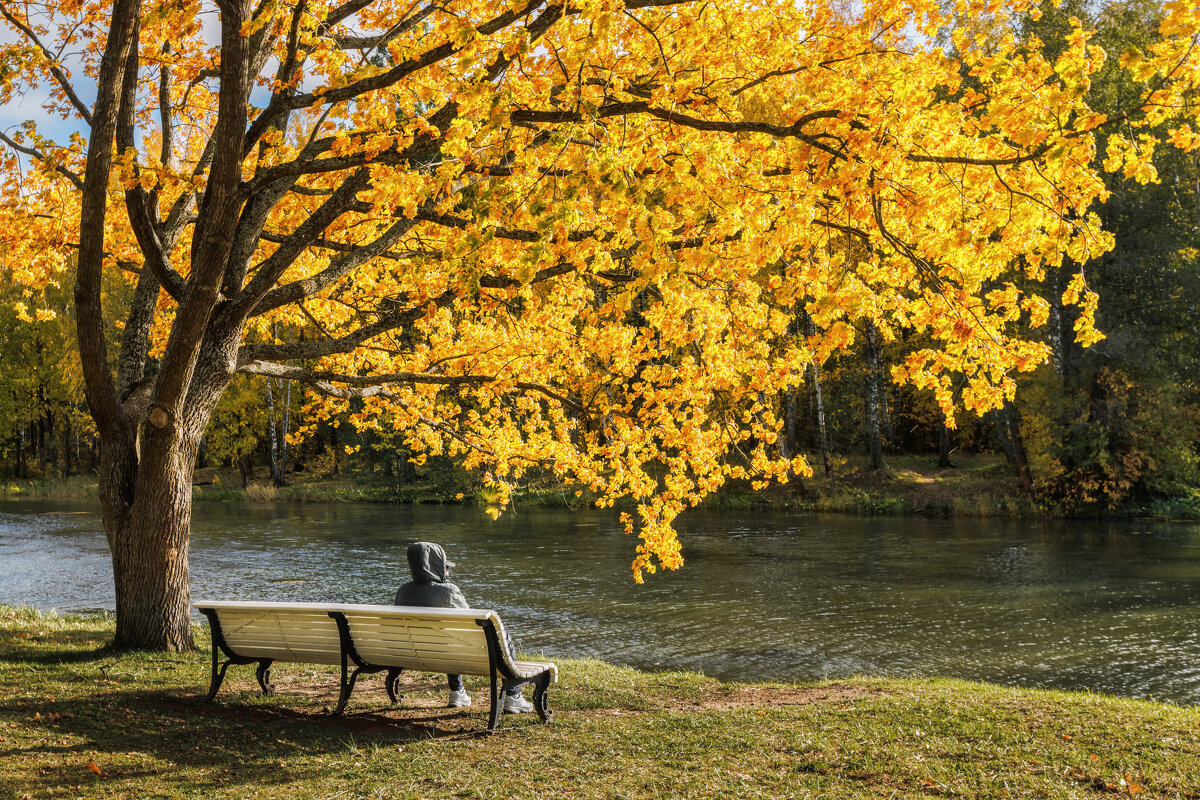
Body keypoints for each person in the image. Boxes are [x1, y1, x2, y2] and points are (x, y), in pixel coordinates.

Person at [394, 541, 533, 713]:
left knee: (445, 637)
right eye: (445, 567)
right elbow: (470, 622)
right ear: (434, 567)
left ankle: (457, 692)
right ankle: (513, 695)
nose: (448, 571)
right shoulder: (448, 592)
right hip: (455, 653)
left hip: (418, 654)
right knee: (502, 636)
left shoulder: (403, 591)